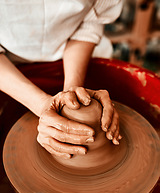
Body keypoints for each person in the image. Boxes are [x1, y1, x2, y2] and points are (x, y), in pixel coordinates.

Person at [0, 0, 123, 160]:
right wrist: (42, 104)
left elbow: (90, 21)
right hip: (8, 66)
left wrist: (72, 93)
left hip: (75, 54)